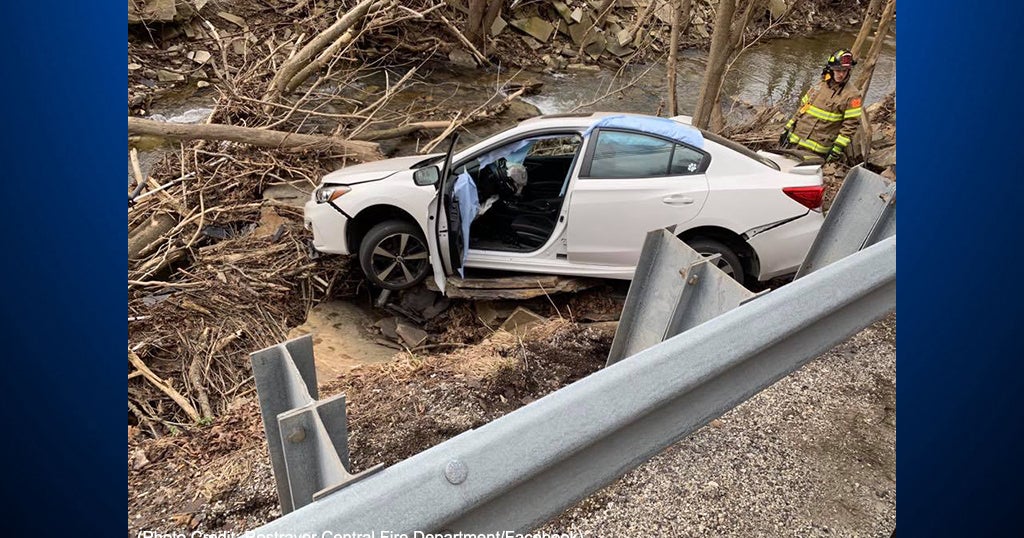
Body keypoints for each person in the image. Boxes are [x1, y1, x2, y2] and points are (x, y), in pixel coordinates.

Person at [779, 49, 863, 162]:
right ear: (831, 69)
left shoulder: (853, 95)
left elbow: (850, 125)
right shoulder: (820, 85)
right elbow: (802, 108)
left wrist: (837, 148)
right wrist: (787, 127)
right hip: (795, 141)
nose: (841, 74)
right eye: (838, 70)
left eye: (845, 70)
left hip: (818, 150)